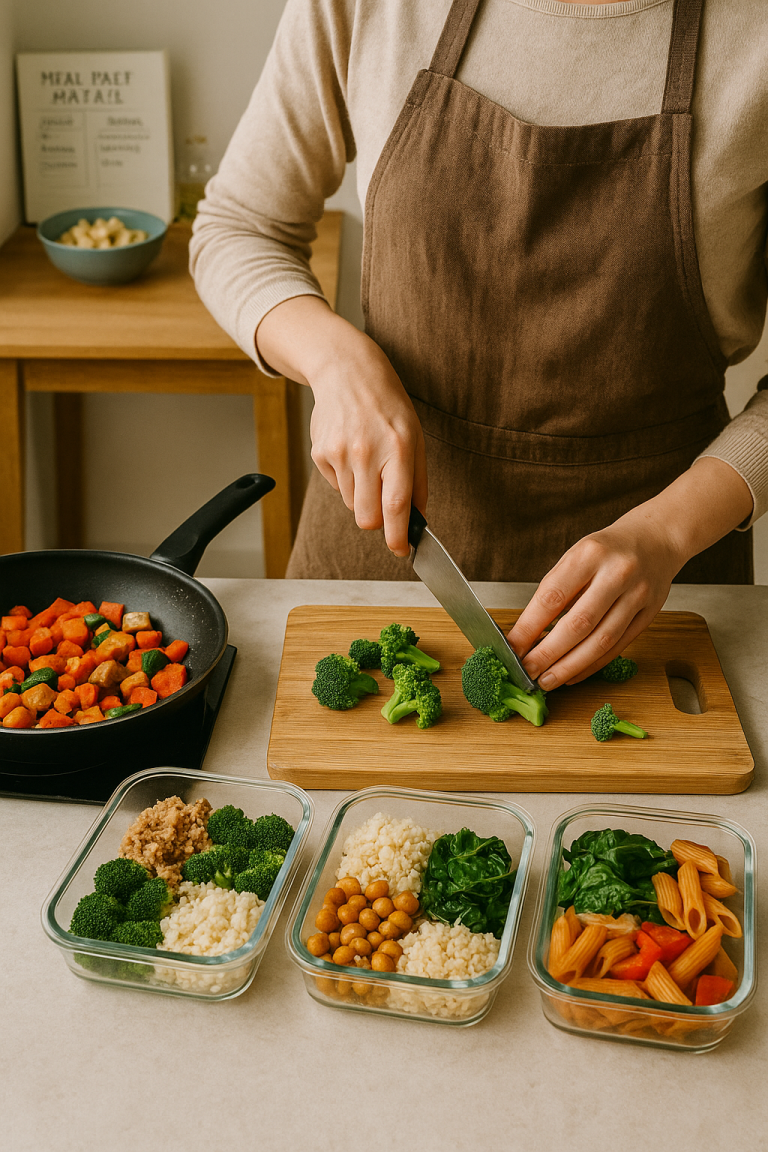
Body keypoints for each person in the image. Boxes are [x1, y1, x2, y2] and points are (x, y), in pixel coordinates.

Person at [191, 0, 768, 692]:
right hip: (376, 559)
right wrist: (337, 363)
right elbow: (239, 225)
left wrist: (669, 534)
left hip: (661, 597)